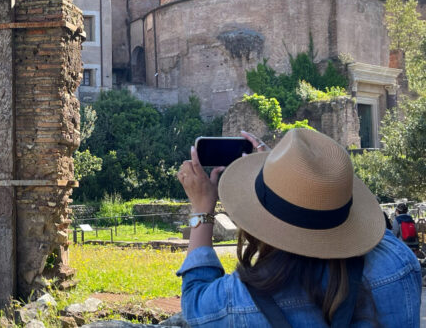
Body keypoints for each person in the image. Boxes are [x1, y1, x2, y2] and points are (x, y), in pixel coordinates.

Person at [175, 129, 421, 327]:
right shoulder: (401, 263)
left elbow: (195, 301)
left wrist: (202, 209)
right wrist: (294, 178)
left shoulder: (238, 300)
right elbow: (377, 234)